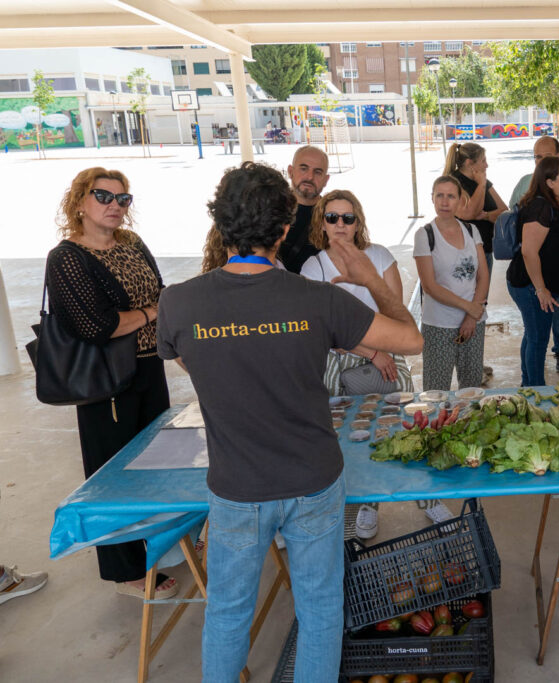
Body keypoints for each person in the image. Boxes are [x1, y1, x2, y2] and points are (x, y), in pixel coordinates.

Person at [157, 161, 422, 683]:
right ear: (283, 229)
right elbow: (411, 339)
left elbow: (190, 361)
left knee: (227, 612)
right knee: (319, 609)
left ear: (220, 225)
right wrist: (372, 281)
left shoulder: (179, 302)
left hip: (236, 485)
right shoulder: (319, 300)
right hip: (312, 480)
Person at [44, 168, 176, 601]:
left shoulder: (132, 243)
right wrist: (151, 313)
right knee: (114, 477)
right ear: (80, 201)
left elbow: (161, 291)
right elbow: (97, 327)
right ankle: (125, 571)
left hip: (148, 367)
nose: (114, 205)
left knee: (157, 465)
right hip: (104, 381)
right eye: (103, 196)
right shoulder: (67, 258)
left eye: (123, 199)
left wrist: (151, 313)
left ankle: (157, 544)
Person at [300, 189, 430, 535]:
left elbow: (396, 316)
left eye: (348, 217)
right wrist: (372, 352)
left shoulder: (379, 256)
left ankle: (427, 498)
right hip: (342, 358)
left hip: (385, 348)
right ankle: (366, 503)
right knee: (344, 434)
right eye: (332, 217)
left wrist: (380, 347)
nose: (340, 224)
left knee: (404, 420)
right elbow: (323, 331)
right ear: (322, 223)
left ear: (358, 223)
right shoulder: (313, 267)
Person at [509, 135, 559, 373]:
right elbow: (529, 251)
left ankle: (528, 384)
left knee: (534, 335)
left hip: (545, 281)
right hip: (531, 284)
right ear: (550, 182)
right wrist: (541, 289)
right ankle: (534, 387)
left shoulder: (557, 201)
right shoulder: (541, 206)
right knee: (538, 338)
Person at [414, 176, 490, 392]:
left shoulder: (471, 230)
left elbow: (483, 275)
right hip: (439, 324)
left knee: (471, 389)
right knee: (436, 390)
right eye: (440, 195)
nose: (445, 202)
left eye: (451, 196)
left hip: (474, 322)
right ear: (432, 198)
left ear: (460, 200)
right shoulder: (425, 235)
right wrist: (469, 308)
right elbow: (430, 286)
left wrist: (472, 317)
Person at [444, 142, 508, 278]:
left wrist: (486, 215)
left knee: (482, 291)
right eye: (483, 161)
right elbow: (468, 213)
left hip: (485, 249)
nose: (487, 165)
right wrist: (481, 185)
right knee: (467, 290)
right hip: (463, 253)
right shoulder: (454, 182)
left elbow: (504, 211)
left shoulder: (484, 181)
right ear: (469, 163)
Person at [279, 145, 330, 273]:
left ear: (326, 180)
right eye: (303, 168)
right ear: (290, 171)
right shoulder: (270, 211)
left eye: (317, 172)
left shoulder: (333, 218)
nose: (309, 177)